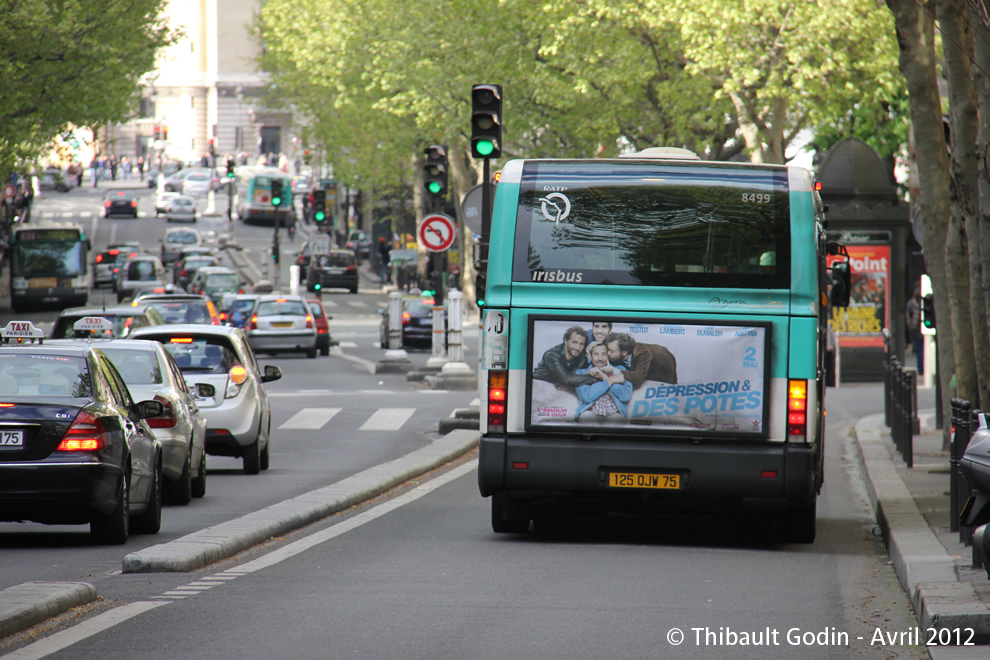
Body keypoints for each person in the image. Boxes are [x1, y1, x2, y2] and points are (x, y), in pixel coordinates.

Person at [574, 341, 633, 421]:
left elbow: (625, 396)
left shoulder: (620, 370)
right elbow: (587, 396)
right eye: (596, 354)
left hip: (614, 413)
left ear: (608, 356)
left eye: (604, 354)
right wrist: (610, 381)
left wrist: (604, 377)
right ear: (590, 356)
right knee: (588, 420)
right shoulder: (581, 373)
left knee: (617, 422)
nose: (600, 358)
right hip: (589, 412)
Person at [601, 332, 678, 388]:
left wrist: (614, 370)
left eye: (612, 351)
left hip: (664, 366)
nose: (608, 353)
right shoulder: (620, 351)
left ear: (624, 352)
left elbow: (637, 377)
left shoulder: (642, 353)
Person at [533, 325, 595, 389]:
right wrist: (597, 379)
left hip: (559, 388)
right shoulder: (552, 355)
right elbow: (566, 379)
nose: (577, 348)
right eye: (574, 342)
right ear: (565, 341)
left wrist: (571, 386)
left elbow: (579, 378)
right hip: (539, 385)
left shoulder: (582, 358)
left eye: (581, 344)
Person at [906, 287, 924, 375]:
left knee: (920, 350)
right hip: (917, 330)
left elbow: (908, 317)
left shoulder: (911, 304)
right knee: (919, 350)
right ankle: (921, 367)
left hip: (919, 328)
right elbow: (908, 317)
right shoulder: (912, 304)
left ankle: (921, 367)